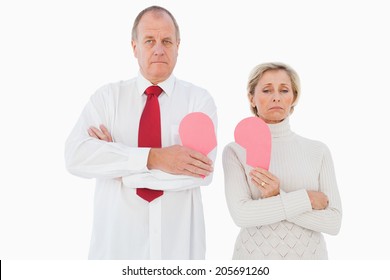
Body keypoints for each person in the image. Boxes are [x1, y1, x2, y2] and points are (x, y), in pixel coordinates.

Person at [65, 6, 217, 260]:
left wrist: (120, 167)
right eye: (149, 41)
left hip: (178, 253)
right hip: (116, 252)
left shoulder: (199, 102)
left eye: (166, 41)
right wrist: (154, 158)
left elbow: (200, 174)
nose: (159, 48)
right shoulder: (107, 99)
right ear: (134, 47)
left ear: (178, 46)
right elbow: (75, 156)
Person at [223, 62, 342, 259]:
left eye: (284, 90)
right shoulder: (235, 151)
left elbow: (333, 222)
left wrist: (277, 195)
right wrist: (307, 199)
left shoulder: (318, 151)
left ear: (294, 97)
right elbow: (242, 215)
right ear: (251, 98)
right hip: (253, 259)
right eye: (267, 90)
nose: (276, 97)